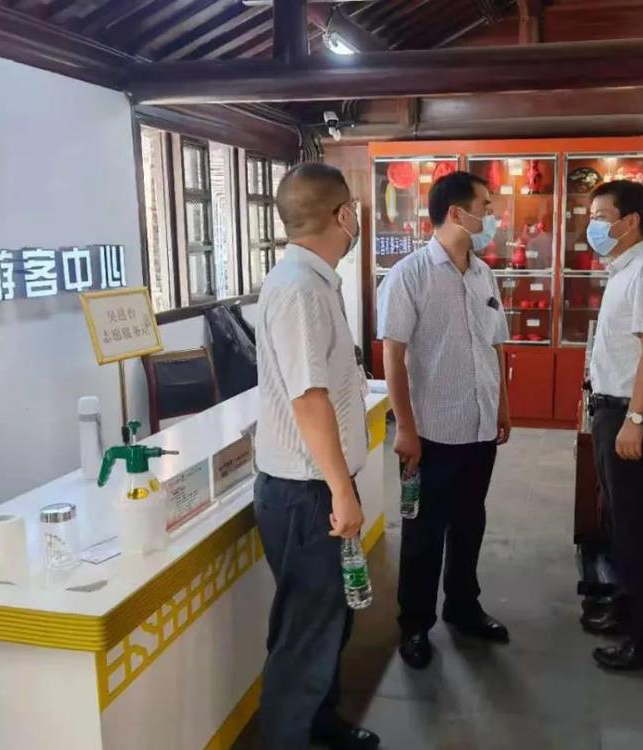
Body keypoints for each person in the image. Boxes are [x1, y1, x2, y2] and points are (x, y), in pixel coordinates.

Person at [253, 163, 379, 750]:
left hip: (319, 487)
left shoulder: (317, 280)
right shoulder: (299, 289)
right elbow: (308, 401)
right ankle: (288, 737)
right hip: (308, 494)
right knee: (306, 633)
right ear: (343, 214)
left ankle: (321, 724)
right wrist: (342, 492)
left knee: (330, 621)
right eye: (354, 209)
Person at [378, 170, 512, 670]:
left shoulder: (483, 273)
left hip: (479, 425)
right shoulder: (409, 275)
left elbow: (495, 343)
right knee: (423, 532)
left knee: (470, 520)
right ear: (457, 212)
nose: (492, 216)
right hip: (431, 432)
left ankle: (462, 605)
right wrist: (405, 427)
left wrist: (502, 404)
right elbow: (393, 357)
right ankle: (415, 624)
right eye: (486, 206)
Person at [579, 180, 643, 671]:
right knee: (618, 522)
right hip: (611, 411)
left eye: (600, 216)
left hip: (629, 414)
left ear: (630, 221)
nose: (592, 226)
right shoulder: (623, 269)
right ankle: (625, 608)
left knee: (638, 529)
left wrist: (634, 420)